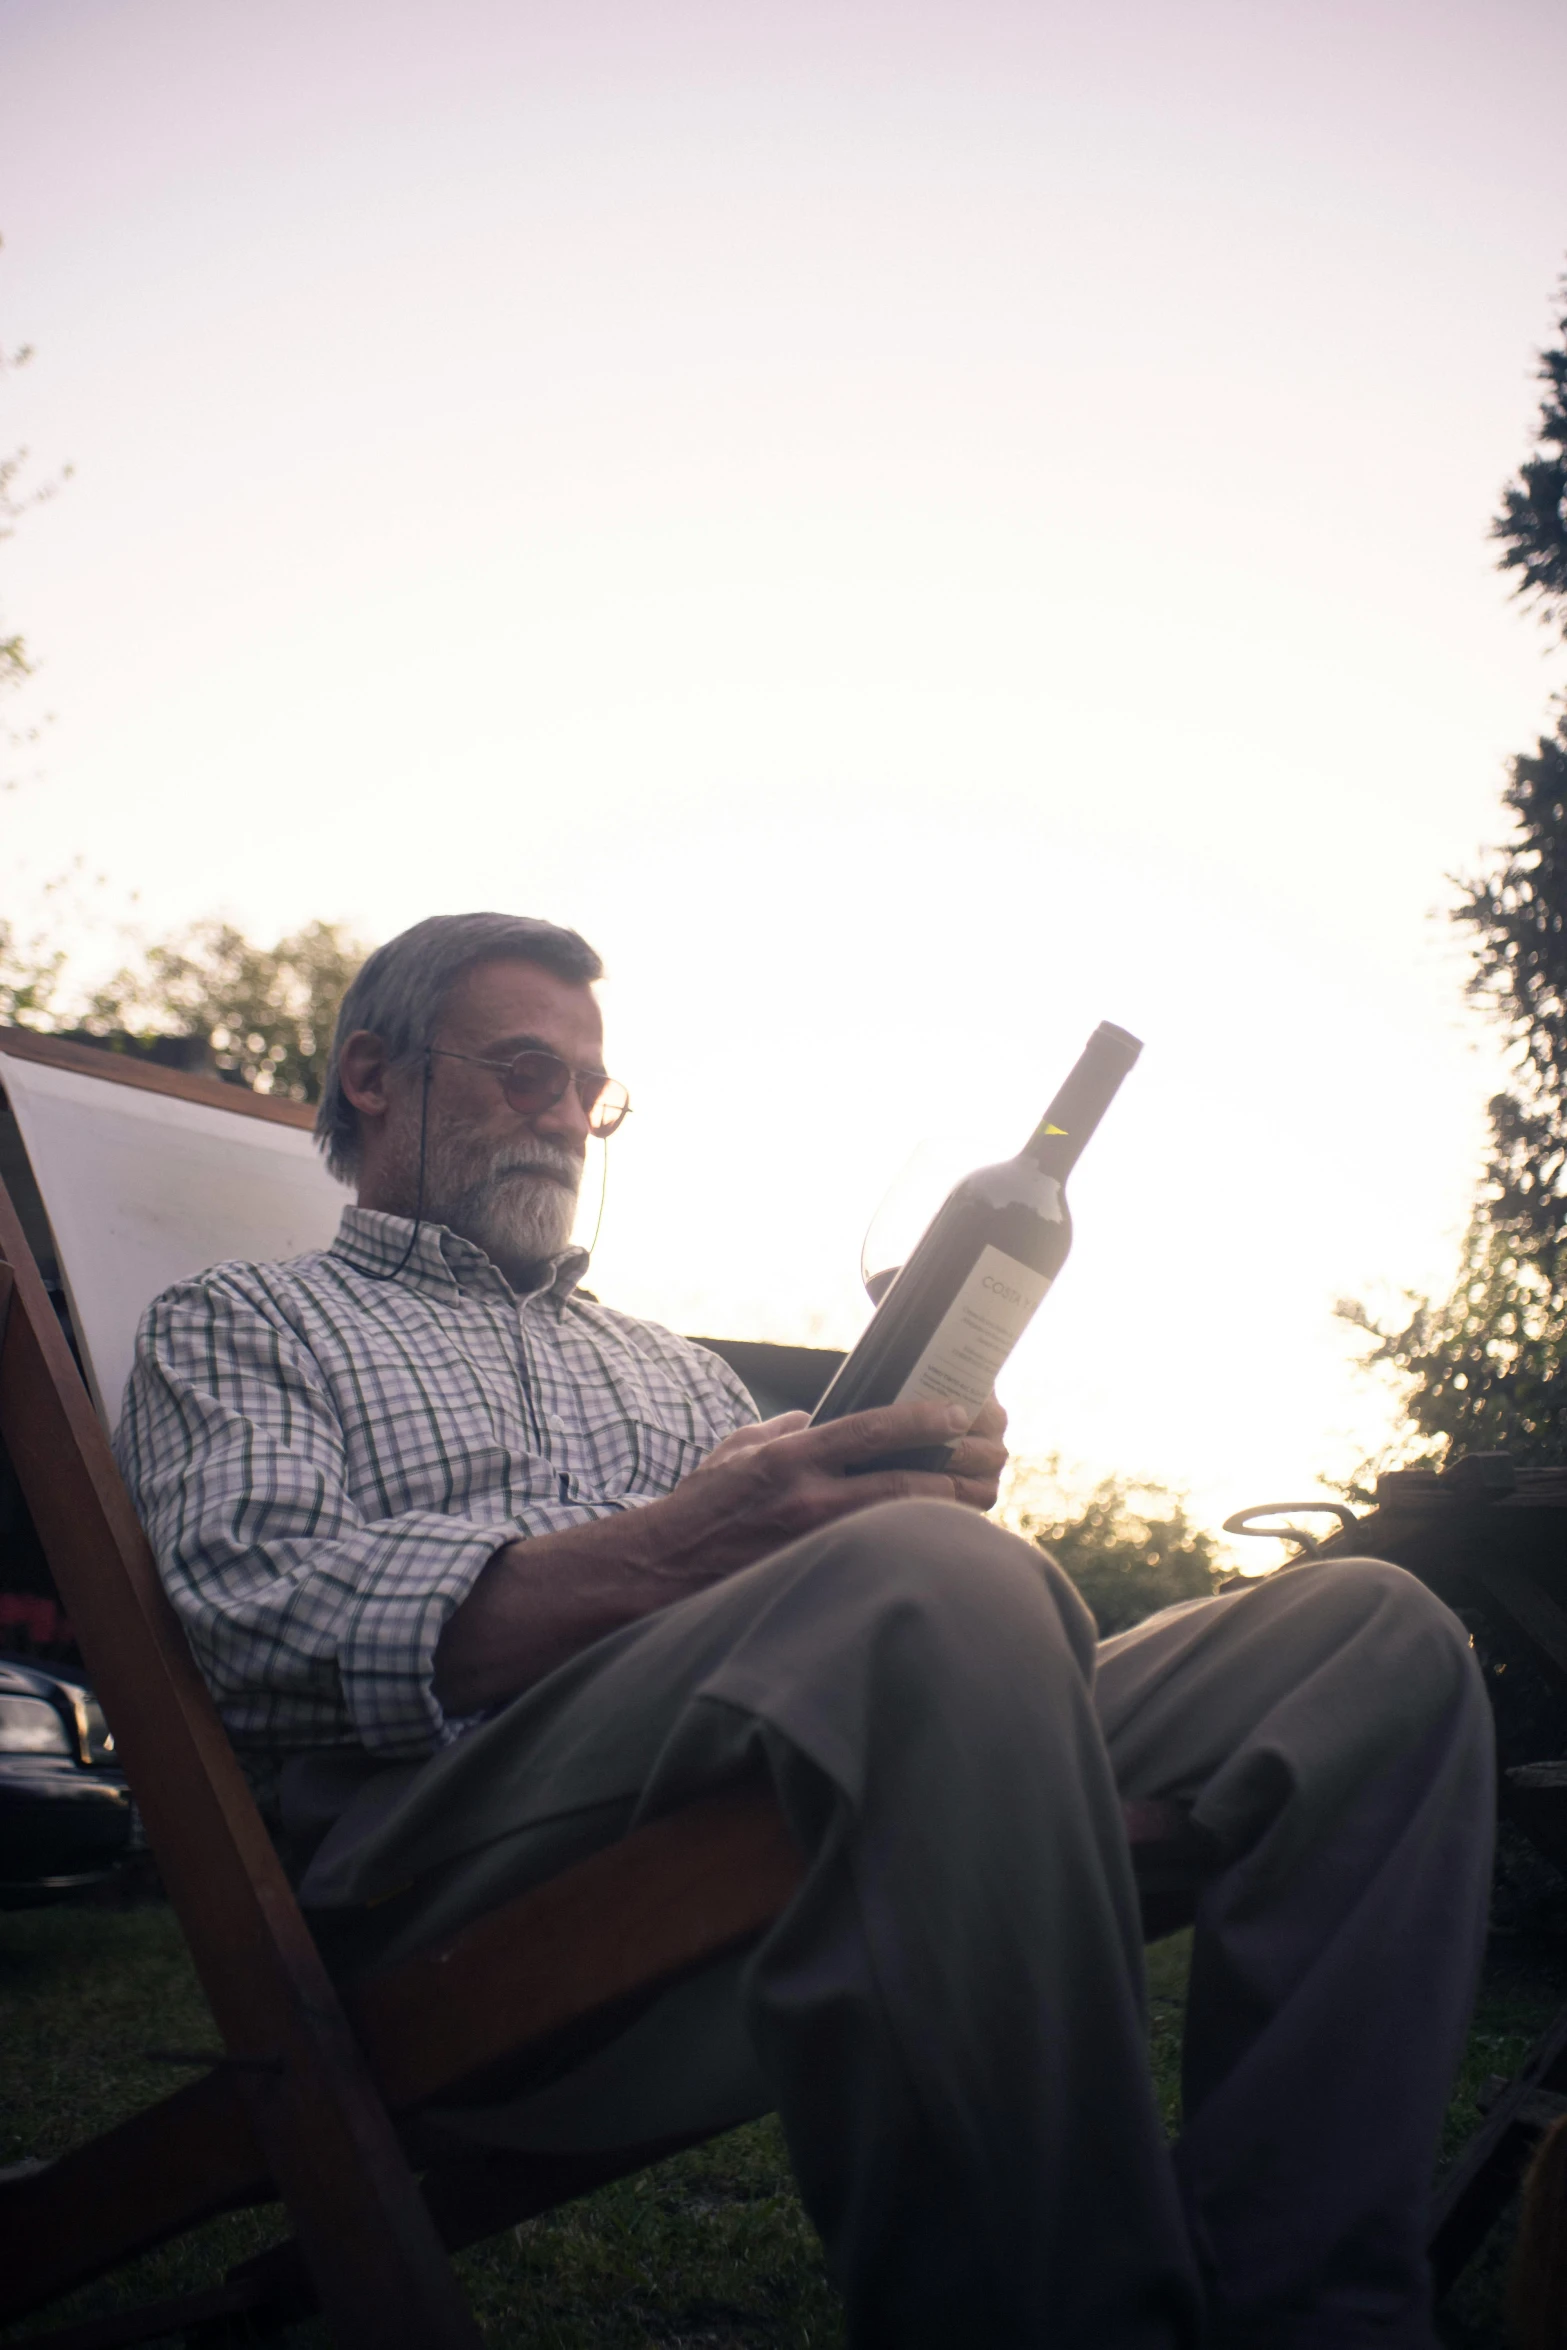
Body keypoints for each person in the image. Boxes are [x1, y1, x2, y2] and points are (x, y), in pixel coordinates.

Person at [115, 911, 1495, 2350]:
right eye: (526, 1071)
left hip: (769, 1763)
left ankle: (1322, 2319)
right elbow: (256, 1618)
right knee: (914, 1579)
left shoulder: (675, 1370)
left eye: (591, 1089)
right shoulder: (244, 1322)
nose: (569, 1117)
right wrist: (684, 1546)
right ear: (371, 1077)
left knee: (1370, 1639)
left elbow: (885, 1622)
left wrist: (913, 1494)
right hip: (448, 1849)